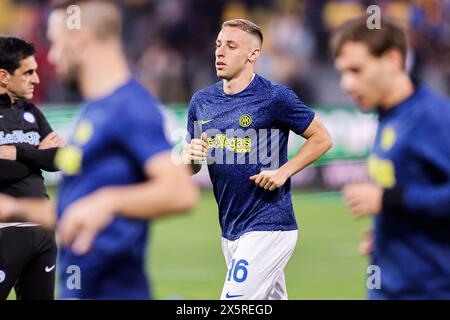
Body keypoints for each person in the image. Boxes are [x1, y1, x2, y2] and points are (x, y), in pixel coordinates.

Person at [0, 0, 198, 300]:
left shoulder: (129, 107)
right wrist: (14, 209)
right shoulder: (94, 111)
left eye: (55, 43)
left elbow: (180, 192)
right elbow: (77, 209)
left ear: (79, 39)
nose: (52, 56)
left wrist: (108, 202)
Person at [183, 19, 332, 300]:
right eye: (218, 45)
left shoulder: (274, 97)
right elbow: (191, 166)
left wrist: (283, 172)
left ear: (253, 54)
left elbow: (322, 138)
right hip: (230, 229)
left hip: (269, 225)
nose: (219, 52)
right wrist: (188, 158)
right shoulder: (201, 102)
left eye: (230, 46)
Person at [332, 16, 450, 299]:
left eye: (356, 70)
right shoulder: (389, 116)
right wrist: (390, 235)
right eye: (342, 72)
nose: (346, 83)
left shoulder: (433, 118)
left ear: (393, 59)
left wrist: (387, 200)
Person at [0, 36, 65, 300]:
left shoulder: (32, 112)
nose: (36, 80)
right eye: (28, 72)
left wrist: (18, 152)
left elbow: (59, 158)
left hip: (43, 233)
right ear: (3, 76)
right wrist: (37, 155)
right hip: (5, 232)